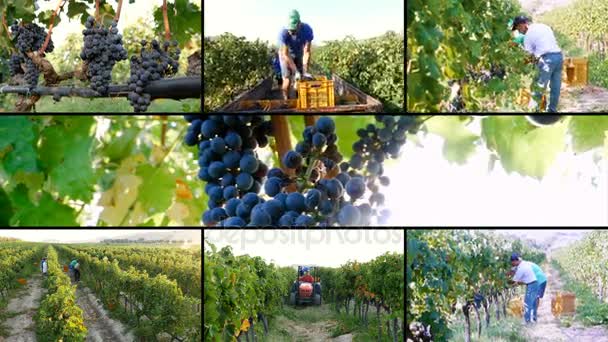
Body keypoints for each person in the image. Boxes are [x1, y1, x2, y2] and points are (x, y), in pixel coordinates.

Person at [511, 15, 563, 113]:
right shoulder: (542, 26)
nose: (518, 30)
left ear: (523, 25)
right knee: (555, 87)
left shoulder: (528, 37)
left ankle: (537, 111)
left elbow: (529, 57)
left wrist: (519, 66)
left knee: (537, 87)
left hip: (547, 60)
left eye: (518, 27)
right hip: (558, 57)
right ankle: (552, 111)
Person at [277, 9, 314, 99]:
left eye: (293, 30)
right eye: (289, 30)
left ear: (299, 24)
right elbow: (285, 54)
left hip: (298, 53)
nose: (290, 32)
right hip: (285, 55)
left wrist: (305, 70)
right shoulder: (283, 33)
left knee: (300, 78)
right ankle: (286, 100)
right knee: (287, 80)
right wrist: (295, 70)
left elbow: (307, 51)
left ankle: (299, 99)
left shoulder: (307, 30)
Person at [509, 253, 539, 324]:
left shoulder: (521, 269)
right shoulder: (523, 263)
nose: (512, 264)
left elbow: (514, 281)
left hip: (531, 284)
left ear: (515, 261)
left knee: (527, 303)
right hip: (534, 283)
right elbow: (514, 269)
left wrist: (507, 284)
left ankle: (527, 321)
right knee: (533, 303)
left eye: (512, 262)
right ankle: (534, 319)